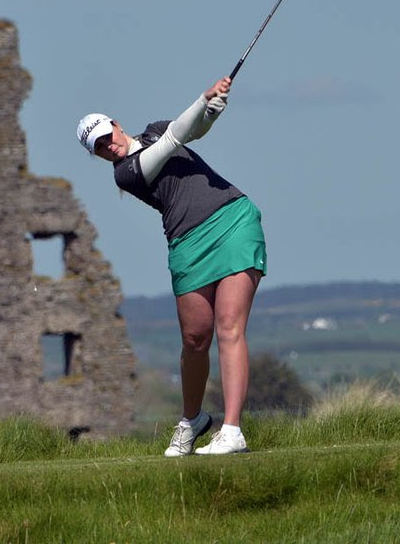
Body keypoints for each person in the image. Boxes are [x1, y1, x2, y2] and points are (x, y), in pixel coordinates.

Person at [75, 76, 266, 455]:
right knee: (195, 340)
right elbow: (174, 139)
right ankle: (192, 420)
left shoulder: (154, 128)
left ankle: (231, 430)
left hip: (233, 221)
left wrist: (212, 108)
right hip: (187, 244)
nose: (107, 145)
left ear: (115, 123)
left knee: (230, 327)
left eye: (105, 135)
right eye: (98, 147)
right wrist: (201, 99)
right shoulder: (126, 173)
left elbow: (194, 131)